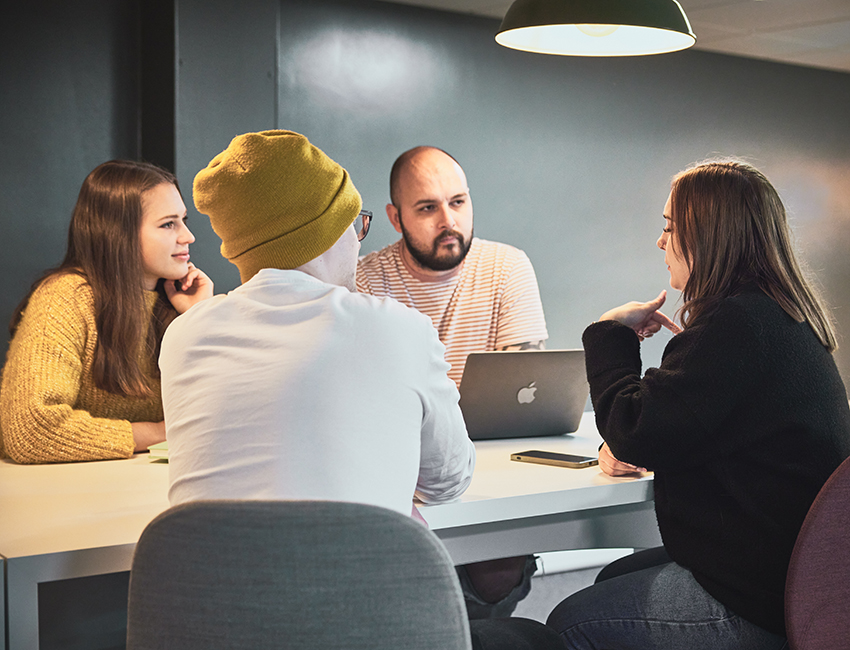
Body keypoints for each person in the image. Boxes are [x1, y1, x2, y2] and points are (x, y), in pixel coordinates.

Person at [546, 160, 850, 649]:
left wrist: (611, 333)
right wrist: (642, 439)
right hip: (801, 576)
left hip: (761, 596)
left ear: (709, 236)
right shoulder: (780, 317)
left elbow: (635, 428)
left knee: (570, 621)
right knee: (613, 579)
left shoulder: (735, 326)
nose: (661, 242)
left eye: (669, 228)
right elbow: (679, 428)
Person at [160, 130, 476, 517]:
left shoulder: (181, 335)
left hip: (202, 575)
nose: (359, 242)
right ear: (328, 234)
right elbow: (448, 482)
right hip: (358, 573)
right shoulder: (402, 329)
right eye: (355, 223)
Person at [357, 146, 548, 619]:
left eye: (458, 202)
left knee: (498, 567)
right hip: (405, 474)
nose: (449, 220)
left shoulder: (507, 266)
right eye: (427, 208)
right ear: (395, 217)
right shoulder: (365, 279)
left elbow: (522, 390)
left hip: (492, 465)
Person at [0, 160, 213, 464]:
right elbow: (30, 432)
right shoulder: (65, 298)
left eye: (184, 220)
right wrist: (156, 432)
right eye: (169, 224)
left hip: (144, 488)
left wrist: (199, 318)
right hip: (66, 497)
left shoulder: (176, 303)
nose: (188, 236)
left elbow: (218, 415)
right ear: (119, 233)